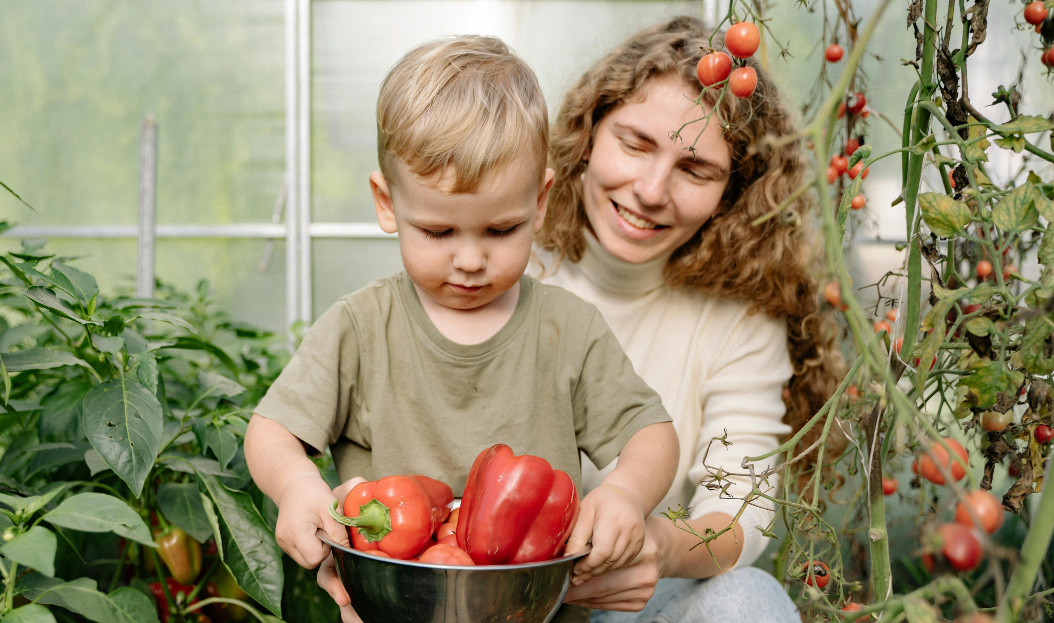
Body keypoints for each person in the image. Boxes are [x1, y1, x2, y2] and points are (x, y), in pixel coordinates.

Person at [245, 35, 681, 623]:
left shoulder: (568, 328)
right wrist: (297, 486)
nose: (470, 260)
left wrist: (626, 492)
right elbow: (272, 430)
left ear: (542, 201)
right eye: (438, 233)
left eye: (502, 231)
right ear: (385, 203)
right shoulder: (361, 326)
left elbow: (650, 434)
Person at [533, 16, 844, 622]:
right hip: (494, 596)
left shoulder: (738, 320)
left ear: (733, 194)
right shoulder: (503, 267)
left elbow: (739, 513)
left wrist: (662, 549)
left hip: (639, 603)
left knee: (745, 599)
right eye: (635, 143)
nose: (651, 190)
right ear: (589, 133)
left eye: (695, 169)